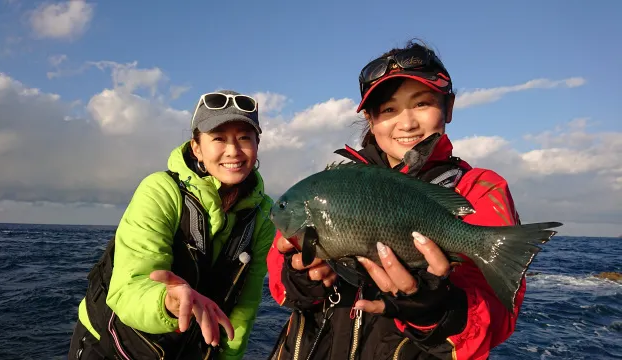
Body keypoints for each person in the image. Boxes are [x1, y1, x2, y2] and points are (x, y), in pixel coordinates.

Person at [266, 39, 525, 360]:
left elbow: (496, 321)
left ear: (449, 107)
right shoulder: (332, 187)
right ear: (371, 121)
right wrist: (303, 276)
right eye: (389, 110)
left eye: (421, 104)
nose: (406, 123)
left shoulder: (478, 188)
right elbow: (280, 281)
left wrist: (434, 309)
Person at [67, 90, 276, 360]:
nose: (233, 150)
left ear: (257, 145)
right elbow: (128, 289)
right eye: (219, 138)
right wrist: (167, 303)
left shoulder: (263, 213)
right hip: (111, 346)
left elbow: (244, 305)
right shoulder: (160, 190)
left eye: (244, 138)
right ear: (197, 147)